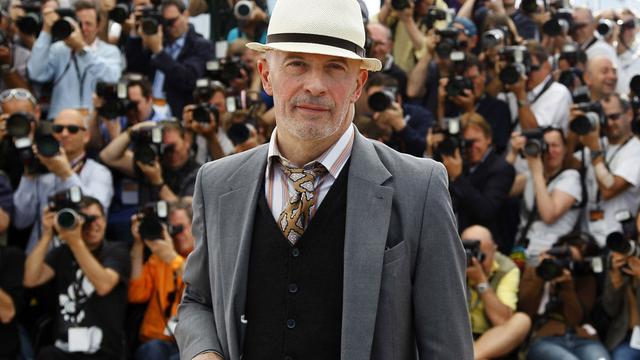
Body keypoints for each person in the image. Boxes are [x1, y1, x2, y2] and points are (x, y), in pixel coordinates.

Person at [175, 0, 474, 359]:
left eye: (334, 68)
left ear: (359, 83)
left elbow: (448, 346)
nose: (315, 85)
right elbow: (197, 301)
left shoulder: (419, 188)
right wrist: (204, 353)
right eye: (297, 64)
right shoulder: (217, 182)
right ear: (266, 75)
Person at [23, 196, 131, 359]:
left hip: (103, 351)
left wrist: (75, 242)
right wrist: (47, 234)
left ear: (105, 220)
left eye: (95, 218)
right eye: (83, 219)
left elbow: (104, 285)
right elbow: (30, 279)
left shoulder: (117, 251)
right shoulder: (62, 253)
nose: (90, 224)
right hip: (64, 350)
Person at [13, 108, 114, 253]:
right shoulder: (41, 169)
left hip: (80, 257)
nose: (64, 134)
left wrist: (66, 174)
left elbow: (95, 215)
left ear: (86, 136)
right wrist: (29, 173)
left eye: (72, 129)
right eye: (58, 129)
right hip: (41, 256)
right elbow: (20, 221)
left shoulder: (99, 172)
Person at [519, 233, 610, 360]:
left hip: (583, 338)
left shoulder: (585, 278)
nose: (565, 264)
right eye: (563, 257)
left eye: (573, 262)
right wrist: (539, 273)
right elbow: (524, 310)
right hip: (545, 338)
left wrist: (568, 287)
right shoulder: (536, 266)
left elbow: (575, 319)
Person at [26, 0, 123, 119]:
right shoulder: (58, 49)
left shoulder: (110, 51)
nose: (83, 28)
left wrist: (81, 49)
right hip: (61, 122)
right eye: (79, 23)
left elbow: (112, 77)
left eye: (88, 24)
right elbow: (36, 74)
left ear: (98, 26)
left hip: (93, 123)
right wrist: (46, 32)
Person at [434, 113, 516, 253]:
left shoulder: (501, 169)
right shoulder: (457, 162)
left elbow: (486, 209)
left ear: (488, 138)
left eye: (475, 141)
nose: (470, 147)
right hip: (452, 242)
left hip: (484, 248)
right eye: (465, 142)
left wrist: (458, 177)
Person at [568, 93, 640, 247]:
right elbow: (568, 166)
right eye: (604, 118)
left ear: (629, 114)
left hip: (617, 240)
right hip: (587, 239)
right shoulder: (598, 142)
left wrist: (594, 149)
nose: (609, 123)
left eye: (614, 117)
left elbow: (609, 189)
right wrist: (573, 131)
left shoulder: (636, 150)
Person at [124, 0, 214, 117]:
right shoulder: (158, 39)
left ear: (185, 15)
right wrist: (135, 34)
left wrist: (159, 52)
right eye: (165, 22)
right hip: (148, 109)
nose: (169, 26)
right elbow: (134, 69)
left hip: (178, 111)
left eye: (173, 21)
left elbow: (189, 79)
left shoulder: (200, 45)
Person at [129, 201, 194, 360]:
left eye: (181, 228)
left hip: (191, 343)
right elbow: (135, 294)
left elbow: (201, 285)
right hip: (156, 341)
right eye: (172, 229)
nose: (176, 234)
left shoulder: (206, 256)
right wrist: (138, 243)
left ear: (196, 226)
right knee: (153, 350)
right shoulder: (159, 258)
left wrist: (172, 258)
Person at [508, 128, 583, 258]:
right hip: (521, 252)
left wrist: (537, 171)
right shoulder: (530, 176)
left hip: (550, 253)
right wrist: (513, 153)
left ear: (565, 149)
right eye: (546, 145)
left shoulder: (570, 178)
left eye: (555, 146)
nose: (550, 151)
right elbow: (500, 190)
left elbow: (549, 215)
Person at [461, 225, 531, 359]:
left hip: (489, 340)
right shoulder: (451, 261)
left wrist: (481, 281)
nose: (474, 261)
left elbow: (503, 321)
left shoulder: (507, 268)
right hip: (455, 335)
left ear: (494, 250)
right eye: (469, 254)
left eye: (481, 256)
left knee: (522, 320)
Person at [99, 120, 201, 204]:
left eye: (172, 147)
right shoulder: (152, 165)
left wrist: (158, 182)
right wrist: (134, 131)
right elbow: (108, 157)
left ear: (186, 142)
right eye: (163, 148)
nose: (169, 153)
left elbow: (187, 212)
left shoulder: (198, 174)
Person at [437, 54, 511, 154]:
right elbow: (442, 135)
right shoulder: (452, 103)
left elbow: (493, 149)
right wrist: (441, 103)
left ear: (483, 76)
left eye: (473, 78)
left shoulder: (498, 108)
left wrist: (469, 110)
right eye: (465, 80)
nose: (471, 84)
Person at [364, 73, 433, 157]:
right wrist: (382, 131)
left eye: (380, 97)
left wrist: (401, 127)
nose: (378, 102)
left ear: (397, 98)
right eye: (373, 99)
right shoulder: (367, 122)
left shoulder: (419, 114)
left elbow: (424, 150)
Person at [365, 22, 408, 100]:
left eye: (380, 44)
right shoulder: (356, 68)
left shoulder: (399, 76)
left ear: (390, 45)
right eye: (370, 43)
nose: (374, 49)